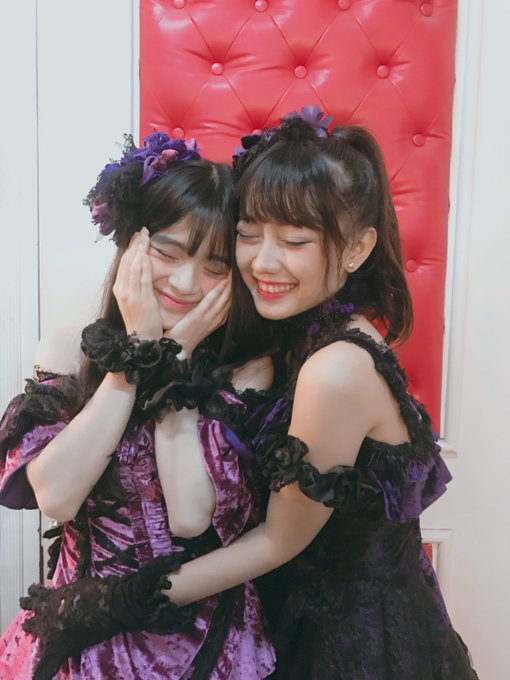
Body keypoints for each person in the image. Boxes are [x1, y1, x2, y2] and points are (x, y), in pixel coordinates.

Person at [12, 109, 479, 679]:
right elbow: (56, 496)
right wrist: (147, 356)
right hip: (272, 620)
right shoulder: (293, 337)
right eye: (250, 235)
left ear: (357, 249)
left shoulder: (328, 368)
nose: (263, 262)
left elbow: (272, 539)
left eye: (295, 240)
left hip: (343, 642)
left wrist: (118, 603)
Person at [0, 131, 276, 679]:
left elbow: (190, 517)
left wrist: (176, 358)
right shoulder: (68, 347)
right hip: (81, 632)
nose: (185, 282)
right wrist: (136, 358)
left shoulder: (248, 371)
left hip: (205, 643)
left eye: (215, 267)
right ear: (130, 246)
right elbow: (56, 497)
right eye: (167, 253)